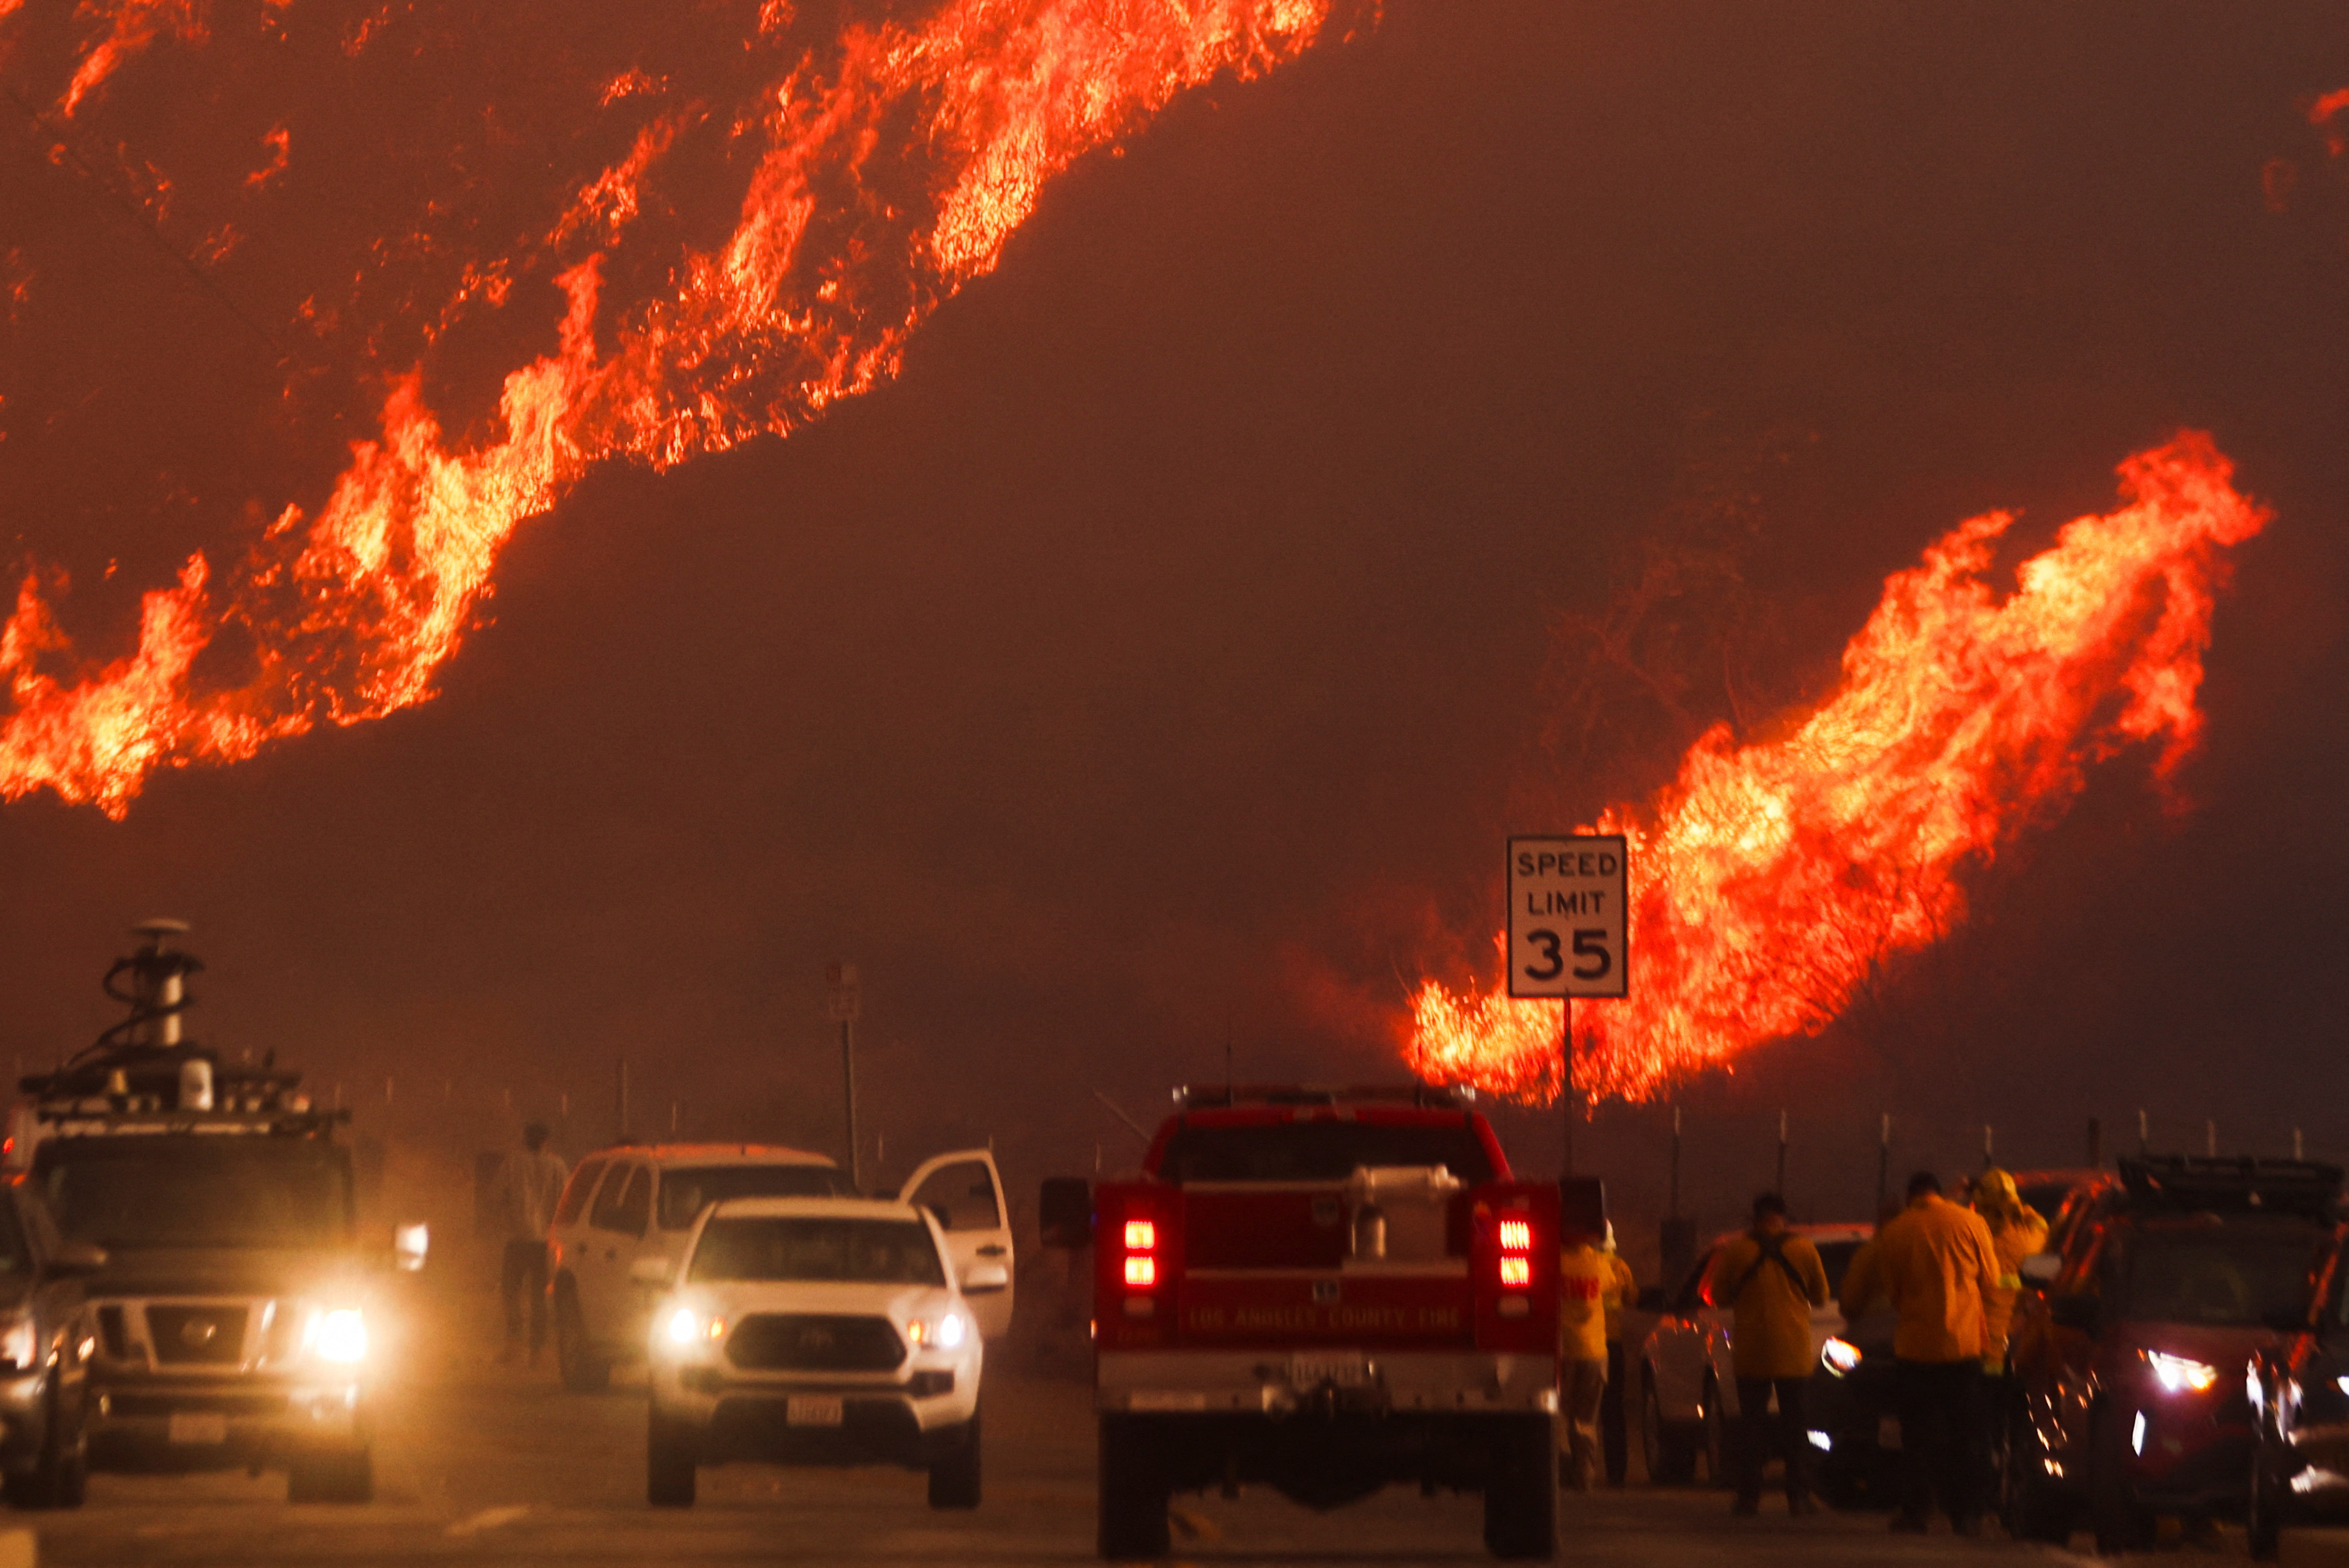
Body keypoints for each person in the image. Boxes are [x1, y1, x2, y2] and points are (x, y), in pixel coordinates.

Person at [1844, 1170, 2000, 1535]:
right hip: (1962, 1346)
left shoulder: (1896, 1232)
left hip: (1915, 1349)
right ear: (1937, 1192)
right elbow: (1991, 1280)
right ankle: (1968, 1515)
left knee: (1916, 1437)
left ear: (1911, 1194)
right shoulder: (1971, 1222)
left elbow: (1894, 1294)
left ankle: (1916, 1512)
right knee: (1967, 1435)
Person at [1703, 1192, 1830, 1516]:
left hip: (1752, 1351)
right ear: (1784, 1216)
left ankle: (1749, 1498)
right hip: (1793, 1350)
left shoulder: (1737, 1250)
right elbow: (1821, 1296)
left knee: (1752, 1428)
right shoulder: (1804, 1248)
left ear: (1755, 1217)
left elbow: (1718, 1295)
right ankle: (1798, 1498)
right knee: (1795, 1428)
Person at [492, 1123, 569, 1365]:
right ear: (547, 1140)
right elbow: (566, 1199)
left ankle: (514, 1345)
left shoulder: (513, 1163)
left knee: (511, 1292)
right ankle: (537, 1352)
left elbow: (496, 1196)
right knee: (539, 1296)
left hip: (517, 1239)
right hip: (545, 1241)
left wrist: (499, 1218)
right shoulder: (557, 1166)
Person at [1557, 1219, 1611, 1490]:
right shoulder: (1598, 1263)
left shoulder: (1554, 1262)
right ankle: (1585, 1477)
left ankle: (1561, 1474)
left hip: (1562, 1350)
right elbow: (1614, 1288)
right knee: (1587, 1420)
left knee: (1559, 1416)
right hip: (1593, 1351)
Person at [1598, 1223, 1638, 1487]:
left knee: (1576, 1411)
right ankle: (1617, 1473)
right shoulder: (1619, 1267)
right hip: (1611, 1345)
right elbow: (1632, 1299)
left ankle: (1576, 1470)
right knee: (1613, 1411)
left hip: (1572, 1345)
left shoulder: (1567, 1262)